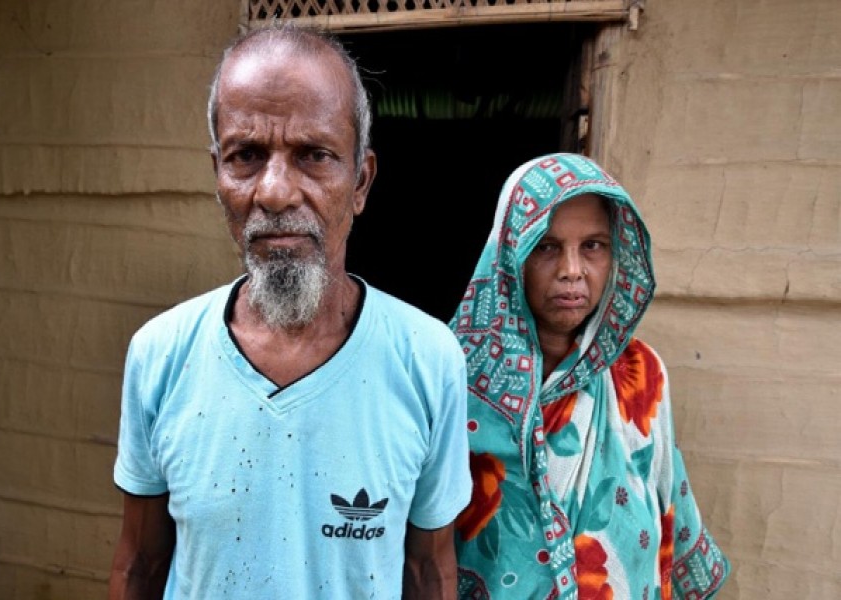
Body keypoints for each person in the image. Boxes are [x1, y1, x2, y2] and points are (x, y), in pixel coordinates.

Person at [108, 25, 471, 599]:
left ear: (361, 182)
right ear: (218, 177)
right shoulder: (160, 354)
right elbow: (141, 565)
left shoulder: (427, 361)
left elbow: (428, 570)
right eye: (246, 156)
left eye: (314, 155)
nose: (274, 192)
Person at [451, 153, 730, 599]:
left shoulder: (640, 373)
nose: (572, 270)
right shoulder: (453, 376)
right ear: (511, 253)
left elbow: (666, 499)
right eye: (546, 246)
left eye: (593, 246)